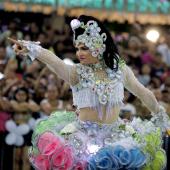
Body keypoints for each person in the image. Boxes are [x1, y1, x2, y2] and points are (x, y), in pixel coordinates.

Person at [9, 15, 170, 170]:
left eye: (84, 48)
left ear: (98, 47)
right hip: (81, 141)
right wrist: (31, 47)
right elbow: (53, 60)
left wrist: (160, 115)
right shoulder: (76, 73)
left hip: (118, 141)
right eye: (77, 48)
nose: (79, 53)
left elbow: (143, 92)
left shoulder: (120, 70)